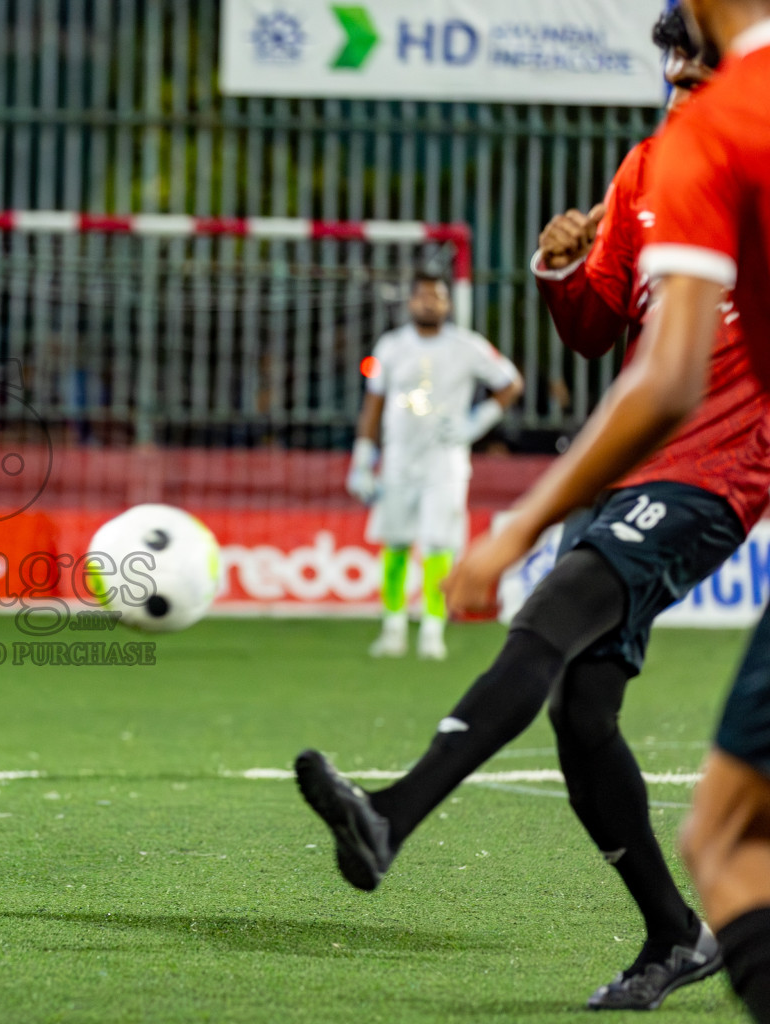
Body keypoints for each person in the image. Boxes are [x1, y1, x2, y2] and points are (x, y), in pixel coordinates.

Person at [296, 7, 770, 1011]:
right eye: (670, 58)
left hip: (715, 466)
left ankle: (388, 816)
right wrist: (560, 269)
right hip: (626, 465)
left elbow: (686, 367)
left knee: (552, 615)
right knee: (582, 711)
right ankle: (674, 934)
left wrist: (515, 524)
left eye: (696, 55)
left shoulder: (747, 144)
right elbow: (603, 332)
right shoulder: (646, 171)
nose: (678, 73)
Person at [345, 270, 522, 660]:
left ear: (448, 302)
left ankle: (431, 628)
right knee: (394, 540)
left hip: (445, 458)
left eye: (437, 297)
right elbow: (373, 402)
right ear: (410, 301)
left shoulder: (466, 346)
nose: (430, 303)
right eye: (423, 296)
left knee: (439, 542)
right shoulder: (390, 346)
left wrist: (476, 421)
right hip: (397, 457)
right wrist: (362, 456)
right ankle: (392, 626)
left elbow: (510, 382)